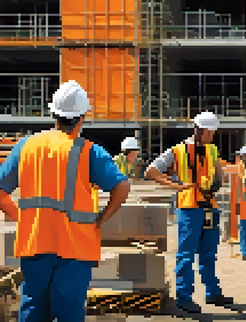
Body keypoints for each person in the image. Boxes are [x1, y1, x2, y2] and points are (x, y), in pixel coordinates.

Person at [0, 80, 131, 321]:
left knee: (32, 310)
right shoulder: (89, 151)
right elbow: (122, 186)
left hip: (35, 243)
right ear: (81, 117)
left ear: (54, 114)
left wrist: (21, 216)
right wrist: (103, 217)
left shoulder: (26, 146)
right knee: (69, 313)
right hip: (75, 248)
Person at [145, 111, 232, 313]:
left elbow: (218, 170)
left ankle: (212, 292)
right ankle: (184, 297)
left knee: (209, 253)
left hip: (210, 206)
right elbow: (151, 171)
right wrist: (176, 186)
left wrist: (217, 183)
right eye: (210, 133)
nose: (212, 136)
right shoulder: (177, 151)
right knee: (186, 254)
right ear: (200, 131)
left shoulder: (212, 150)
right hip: (188, 207)